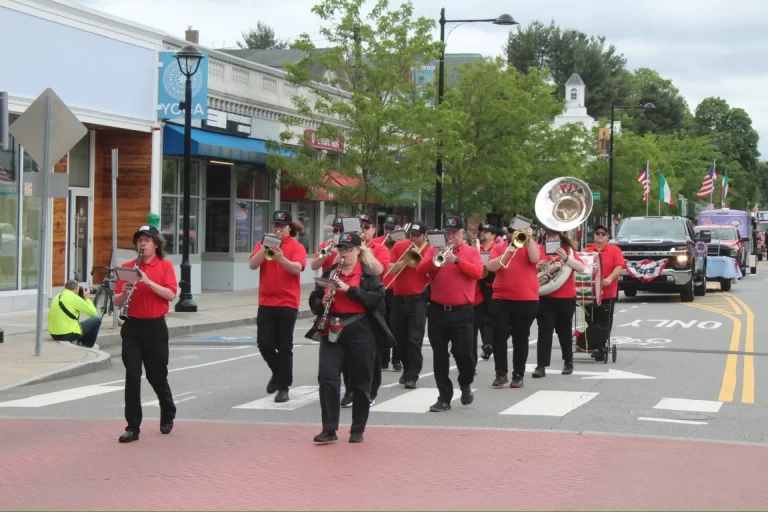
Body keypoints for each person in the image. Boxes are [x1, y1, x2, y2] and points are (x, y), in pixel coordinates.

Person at [308, 232, 395, 444]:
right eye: (341, 249)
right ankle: (329, 429)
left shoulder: (367, 275)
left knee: (361, 380)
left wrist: (349, 290)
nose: (344, 253)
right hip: (332, 329)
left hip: (361, 330)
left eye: (348, 249)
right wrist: (321, 302)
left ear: (358, 250)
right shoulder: (330, 272)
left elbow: (378, 300)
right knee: (327, 378)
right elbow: (314, 300)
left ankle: (357, 428)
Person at [113, 224, 178, 443]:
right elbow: (116, 301)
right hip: (132, 326)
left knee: (156, 375)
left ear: (156, 244)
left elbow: (170, 294)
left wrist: (147, 281)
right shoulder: (128, 267)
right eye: (139, 240)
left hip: (155, 327)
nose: (142, 244)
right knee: (132, 375)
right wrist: (124, 292)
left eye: (147, 240)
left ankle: (168, 412)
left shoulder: (165, 266)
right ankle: (132, 426)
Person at [416, 216, 483, 412]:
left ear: (462, 233)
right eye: (448, 232)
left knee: (464, 354)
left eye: (455, 232)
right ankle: (444, 397)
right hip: (437, 310)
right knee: (439, 356)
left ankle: (465, 382)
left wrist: (457, 260)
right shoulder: (434, 250)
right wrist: (435, 258)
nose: (451, 236)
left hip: (462, 311)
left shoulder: (471, 252)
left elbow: (478, 272)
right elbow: (420, 270)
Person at [249, 210, 308, 403]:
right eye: (275, 225)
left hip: (287, 302)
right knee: (264, 344)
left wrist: (281, 258)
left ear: (289, 228)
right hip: (266, 301)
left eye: (282, 226)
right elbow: (252, 265)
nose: (278, 229)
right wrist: (263, 249)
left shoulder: (297, 247)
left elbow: (297, 269)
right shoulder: (263, 243)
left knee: (284, 347)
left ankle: (284, 387)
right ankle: (278, 373)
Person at [339, 214, 390, 407]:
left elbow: (379, 270)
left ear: (373, 230)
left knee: (370, 354)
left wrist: (362, 247)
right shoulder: (346, 249)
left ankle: (370, 391)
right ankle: (350, 389)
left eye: (367, 227)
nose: (364, 230)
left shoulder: (380, 247)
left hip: (371, 304)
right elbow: (334, 264)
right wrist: (345, 248)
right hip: (348, 307)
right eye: (361, 227)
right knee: (346, 353)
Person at [486, 222, 540, 389]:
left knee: (520, 338)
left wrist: (529, 238)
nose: (513, 234)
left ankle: (518, 375)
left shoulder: (530, 244)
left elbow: (535, 258)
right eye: (511, 231)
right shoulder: (499, 247)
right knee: (499, 337)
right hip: (501, 298)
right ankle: (501, 373)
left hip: (526, 298)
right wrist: (506, 254)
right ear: (507, 232)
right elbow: (490, 266)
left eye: (517, 231)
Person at [532, 229, 585, 377]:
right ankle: (541, 366)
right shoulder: (539, 249)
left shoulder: (568, 250)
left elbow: (581, 268)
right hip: (544, 296)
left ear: (559, 236)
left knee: (564, 330)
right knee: (544, 330)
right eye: (549, 235)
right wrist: (539, 267)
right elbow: (530, 270)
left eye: (554, 235)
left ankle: (568, 361)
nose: (551, 237)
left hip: (565, 297)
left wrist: (566, 258)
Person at [387, 222, 430, 388]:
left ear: (425, 236)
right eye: (411, 235)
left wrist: (419, 258)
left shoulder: (429, 249)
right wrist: (405, 260)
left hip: (418, 299)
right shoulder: (400, 246)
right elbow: (389, 269)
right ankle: (406, 369)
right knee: (400, 338)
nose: (413, 238)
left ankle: (412, 374)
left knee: (414, 339)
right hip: (399, 297)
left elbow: (430, 273)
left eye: (417, 236)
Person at [583, 224, 625, 360]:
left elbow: (619, 266)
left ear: (608, 237)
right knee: (591, 319)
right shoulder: (587, 251)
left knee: (605, 321)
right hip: (590, 294)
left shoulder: (614, 250)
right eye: (598, 233)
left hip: (608, 292)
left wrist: (610, 279)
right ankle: (595, 344)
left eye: (603, 234)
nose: (600, 236)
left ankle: (601, 347)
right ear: (594, 235)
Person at [48, 279, 102, 348]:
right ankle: (87, 344)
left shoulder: (57, 296)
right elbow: (93, 313)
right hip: (67, 334)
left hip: (54, 334)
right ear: (77, 289)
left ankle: (80, 340)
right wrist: (87, 299)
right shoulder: (75, 298)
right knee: (97, 319)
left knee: (74, 321)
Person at [473, 225, 499, 363]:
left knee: (489, 318)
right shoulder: (476, 247)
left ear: (493, 235)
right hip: (478, 285)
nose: (483, 233)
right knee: (478, 318)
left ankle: (488, 343)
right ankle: (486, 345)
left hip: (491, 286)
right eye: (482, 231)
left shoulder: (497, 248)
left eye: (486, 232)